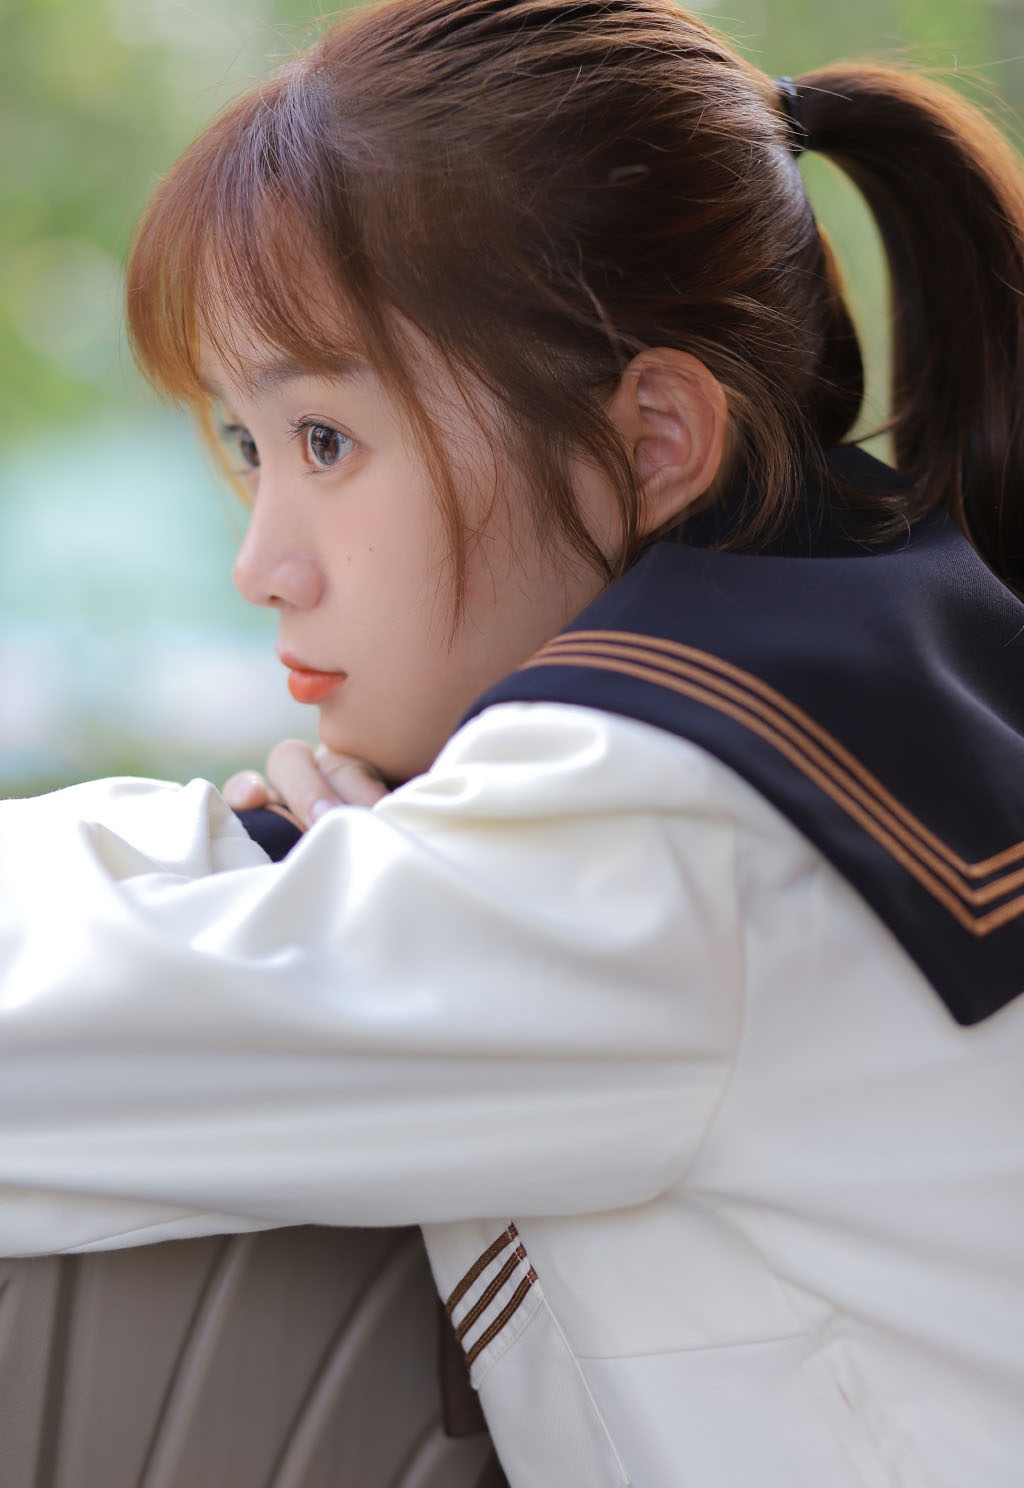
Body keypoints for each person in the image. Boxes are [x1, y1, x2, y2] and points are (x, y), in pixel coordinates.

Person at [2, 1, 1024, 1483]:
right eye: (245, 444)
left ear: (653, 438)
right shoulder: (879, 653)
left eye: (327, 442)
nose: (261, 564)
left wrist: (394, 863)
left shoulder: (657, 823)